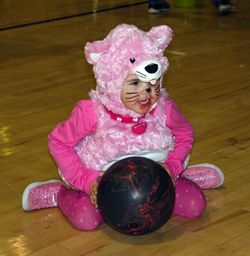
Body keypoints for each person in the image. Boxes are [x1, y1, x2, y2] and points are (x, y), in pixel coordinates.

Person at [22, 24, 224, 231]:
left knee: (195, 206)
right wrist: (87, 181)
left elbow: (184, 134)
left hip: (156, 176)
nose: (147, 94)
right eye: (135, 83)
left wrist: (172, 166)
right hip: (100, 180)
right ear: (113, 80)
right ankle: (61, 193)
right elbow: (58, 143)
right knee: (87, 221)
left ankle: (182, 174)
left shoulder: (165, 108)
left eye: (153, 85)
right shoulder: (91, 112)